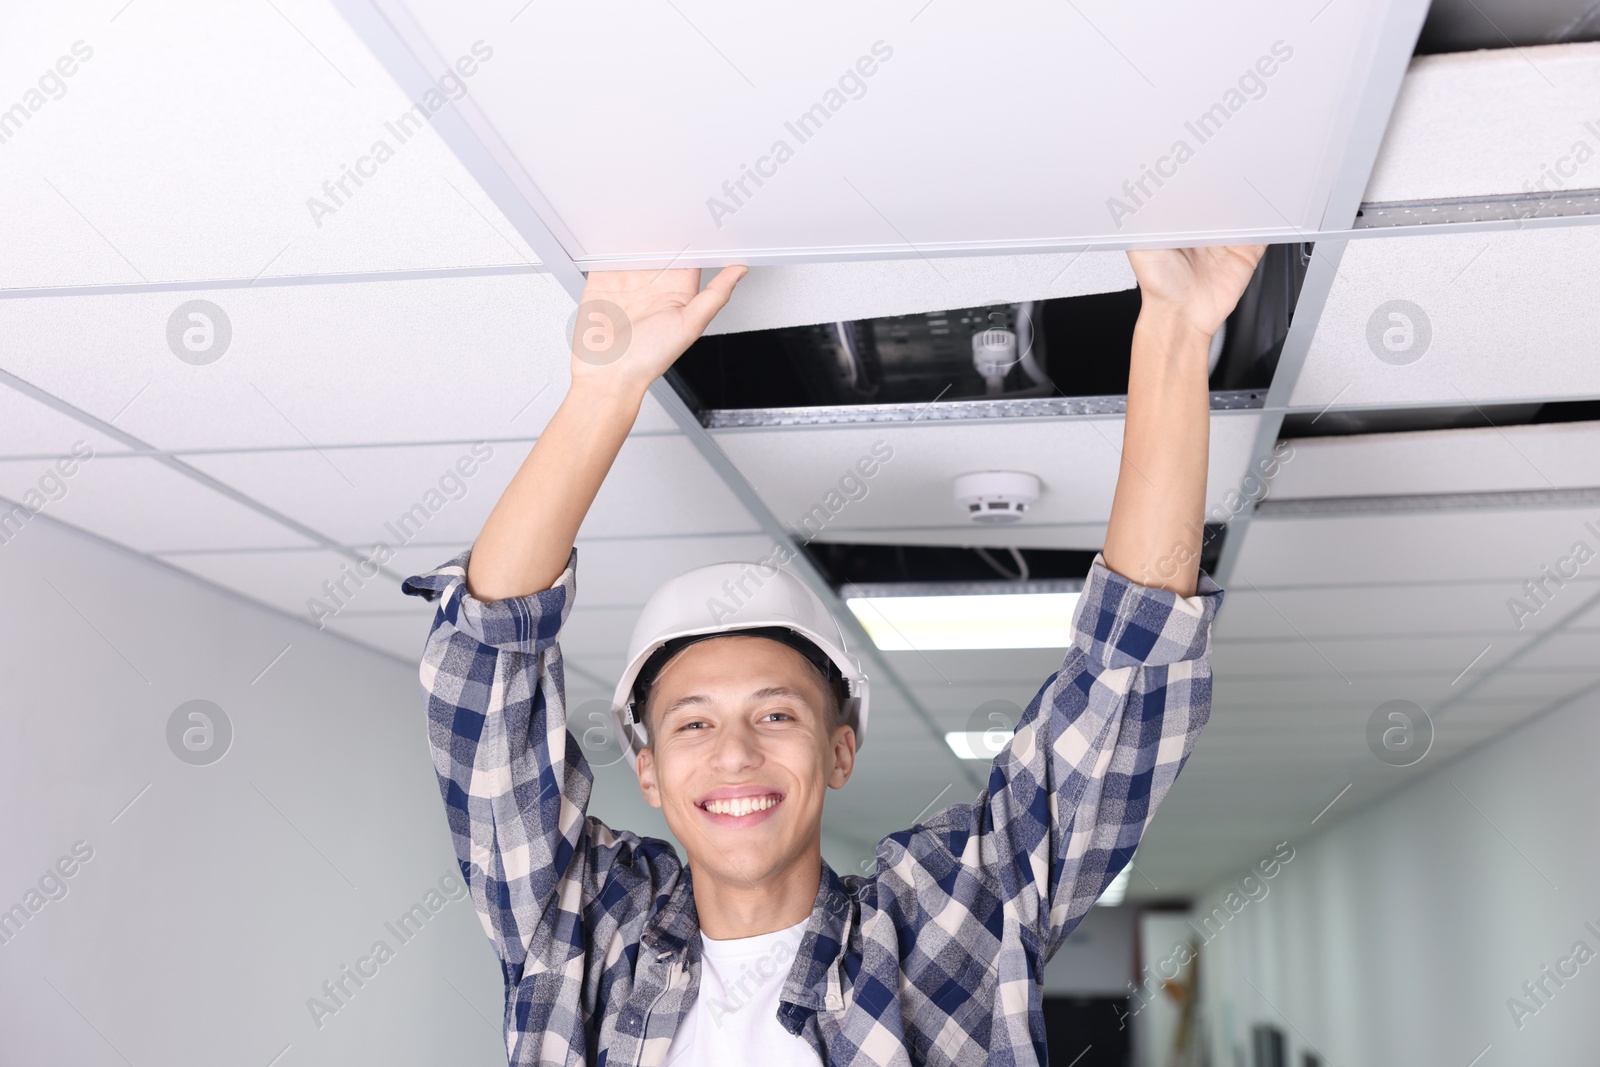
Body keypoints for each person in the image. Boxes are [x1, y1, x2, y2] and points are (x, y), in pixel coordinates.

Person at [402, 244, 1266, 1066]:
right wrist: (604, 391)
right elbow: (484, 675)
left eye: (775, 714)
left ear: (840, 748)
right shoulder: (581, 936)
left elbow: (1125, 681)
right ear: (652, 769)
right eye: (692, 722)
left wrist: (1176, 336)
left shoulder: (944, 925)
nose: (734, 752)